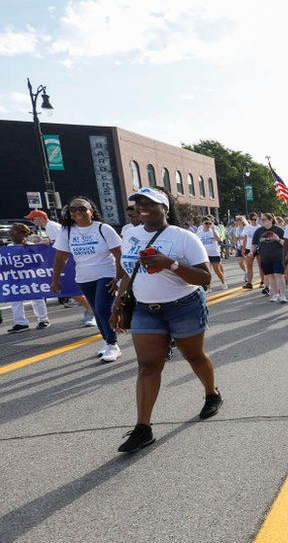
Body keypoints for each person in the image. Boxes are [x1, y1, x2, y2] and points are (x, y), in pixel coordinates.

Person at [110, 187, 221, 453]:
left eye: (149, 203)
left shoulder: (184, 238)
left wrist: (169, 264)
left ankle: (211, 393)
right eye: (138, 203)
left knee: (194, 357)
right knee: (147, 367)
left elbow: (205, 279)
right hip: (146, 309)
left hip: (184, 306)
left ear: (165, 208)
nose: (141, 207)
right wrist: (117, 302)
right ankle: (143, 428)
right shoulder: (130, 234)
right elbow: (129, 271)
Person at [51, 197, 124, 360]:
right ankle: (107, 342)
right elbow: (60, 256)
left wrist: (118, 277)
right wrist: (55, 279)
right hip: (84, 277)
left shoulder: (103, 229)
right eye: (73, 209)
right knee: (96, 311)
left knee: (103, 309)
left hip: (106, 274)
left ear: (91, 211)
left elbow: (119, 254)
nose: (78, 212)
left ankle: (113, 345)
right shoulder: (67, 231)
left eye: (82, 208)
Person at [25, 209, 97, 327]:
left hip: (67, 262)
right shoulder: (51, 226)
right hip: (67, 261)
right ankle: (91, 309)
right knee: (71, 289)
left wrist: (42, 243)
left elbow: (58, 244)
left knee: (69, 289)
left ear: (41, 218)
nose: (33, 222)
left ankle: (91, 310)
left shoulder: (51, 226)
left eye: (33, 219)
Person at [6, 223, 51, 332]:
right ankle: (20, 323)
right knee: (16, 300)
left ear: (23, 233)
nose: (11, 234)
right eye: (10, 232)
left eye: (14, 232)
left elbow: (40, 259)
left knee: (37, 298)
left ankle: (43, 320)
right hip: (16, 277)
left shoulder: (32, 246)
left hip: (32, 276)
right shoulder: (8, 247)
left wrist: (30, 249)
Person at [253, 213, 286, 303]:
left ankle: (282, 295)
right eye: (262, 220)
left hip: (278, 256)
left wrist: (278, 239)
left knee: (279, 276)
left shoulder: (279, 230)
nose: (262, 221)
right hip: (265, 257)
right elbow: (254, 244)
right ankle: (275, 294)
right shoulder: (259, 231)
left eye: (264, 219)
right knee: (270, 277)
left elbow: (285, 244)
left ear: (271, 220)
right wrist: (251, 252)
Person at [197, 216, 227, 290]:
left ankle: (223, 282)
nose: (208, 225)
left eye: (209, 223)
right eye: (206, 223)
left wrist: (213, 230)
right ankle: (209, 287)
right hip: (205, 254)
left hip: (214, 253)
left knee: (217, 270)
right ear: (202, 224)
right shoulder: (199, 233)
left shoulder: (213, 231)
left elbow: (219, 240)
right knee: (207, 271)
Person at [242, 212, 259, 289]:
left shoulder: (260, 227)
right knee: (249, 266)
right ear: (249, 220)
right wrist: (243, 248)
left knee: (261, 266)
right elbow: (245, 238)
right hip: (249, 248)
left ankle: (263, 281)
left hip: (258, 248)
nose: (254, 221)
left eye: (255, 219)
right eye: (252, 219)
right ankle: (249, 283)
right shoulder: (247, 227)